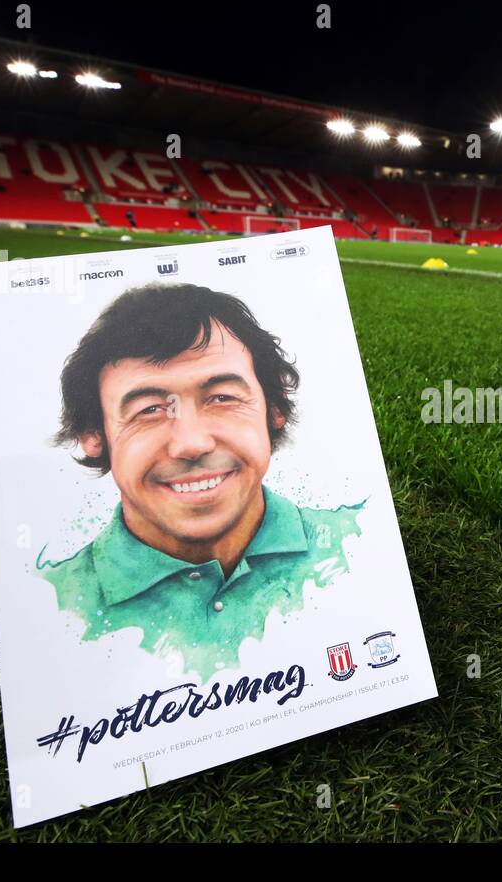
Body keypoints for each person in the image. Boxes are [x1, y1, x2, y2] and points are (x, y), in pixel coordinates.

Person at [38, 283, 362, 676]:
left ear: (273, 409)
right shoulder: (51, 603)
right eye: (150, 409)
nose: (191, 443)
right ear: (94, 435)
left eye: (222, 398)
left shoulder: (357, 545)